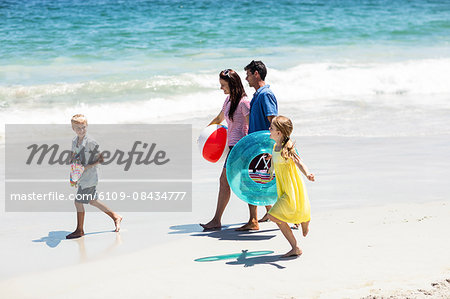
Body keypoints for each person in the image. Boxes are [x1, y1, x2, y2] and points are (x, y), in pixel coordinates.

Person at [200, 69, 250, 230]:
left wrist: (248, 150)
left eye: (223, 85)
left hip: (240, 148)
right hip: (231, 147)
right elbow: (219, 119)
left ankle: (217, 220)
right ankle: (268, 214)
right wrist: (203, 135)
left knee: (225, 181)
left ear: (232, 84)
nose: (221, 88)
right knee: (246, 182)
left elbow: (249, 126)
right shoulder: (229, 100)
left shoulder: (244, 102)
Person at [236, 60, 278, 231]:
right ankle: (262, 216)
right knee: (258, 181)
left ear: (256, 74)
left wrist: (273, 148)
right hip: (256, 147)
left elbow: (273, 121)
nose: (246, 78)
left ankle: (254, 221)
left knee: (253, 181)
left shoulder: (265, 94)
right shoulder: (257, 95)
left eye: (248, 74)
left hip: (263, 148)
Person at [66, 114, 122, 239]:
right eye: (78, 128)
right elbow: (74, 158)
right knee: (93, 201)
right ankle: (115, 216)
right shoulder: (74, 141)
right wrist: (74, 175)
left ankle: (80, 230)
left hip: (90, 177)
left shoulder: (91, 142)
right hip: (80, 177)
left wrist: (85, 167)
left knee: (78, 202)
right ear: (73, 129)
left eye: (84, 127)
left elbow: (101, 159)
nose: (82, 130)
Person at [266, 115, 315, 257]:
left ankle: (304, 221)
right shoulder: (275, 147)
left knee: (273, 216)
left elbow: (299, 163)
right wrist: (270, 172)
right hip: (282, 188)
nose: (269, 129)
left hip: (290, 188)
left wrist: (307, 174)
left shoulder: (288, 147)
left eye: (272, 128)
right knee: (278, 216)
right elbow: (275, 162)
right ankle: (295, 246)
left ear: (279, 133)